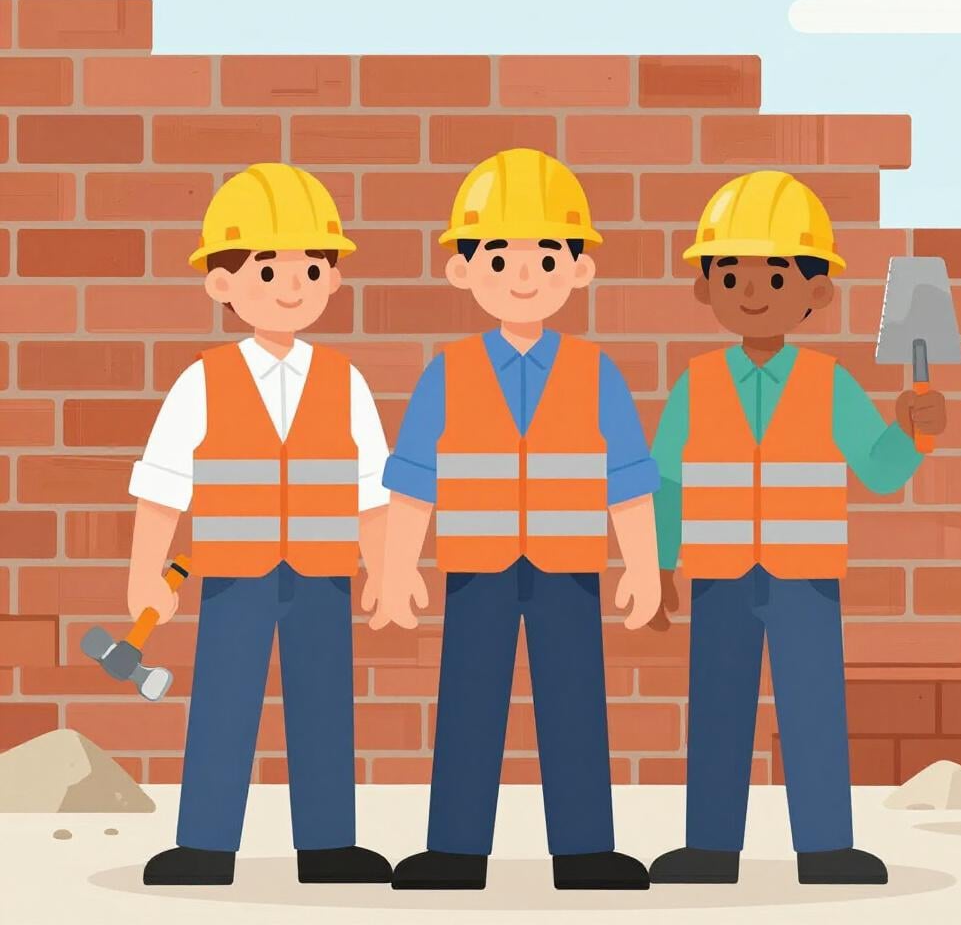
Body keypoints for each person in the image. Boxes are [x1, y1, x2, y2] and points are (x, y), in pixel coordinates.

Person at [649, 170, 947, 886]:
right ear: (706, 287)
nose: (751, 292)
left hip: (805, 579)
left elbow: (877, 470)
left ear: (816, 292)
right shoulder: (696, 382)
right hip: (718, 576)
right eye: (732, 274)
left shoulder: (828, 382)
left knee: (814, 710)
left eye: (774, 275)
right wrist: (656, 565)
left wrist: (913, 434)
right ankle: (710, 849)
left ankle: (825, 847)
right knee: (718, 711)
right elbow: (666, 479)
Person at [375, 148, 661, 891]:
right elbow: (414, 478)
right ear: (463, 271)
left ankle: (586, 849)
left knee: (575, 703)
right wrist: (398, 564)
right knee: (468, 702)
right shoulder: (448, 370)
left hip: (569, 568)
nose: (525, 274)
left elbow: (629, 478)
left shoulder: (598, 372)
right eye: (499, 257)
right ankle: (455, 850)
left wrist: (643, 564)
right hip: (477, 570)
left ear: (579, 268)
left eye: (545, 255)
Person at [130, 163, 392, 886]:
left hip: (322, 576)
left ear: (333, 279)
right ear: (222, 283)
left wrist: (387, 569)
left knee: (324, 703)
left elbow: (372, 487)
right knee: (223, 702)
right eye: (266, 266)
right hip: (234, 578)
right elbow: (163, 486)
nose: (291, 284)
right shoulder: (202, 381)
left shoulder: (346, 382)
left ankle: (330, 843)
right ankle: (206, 845)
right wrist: (143, 571)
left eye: (311, 266)